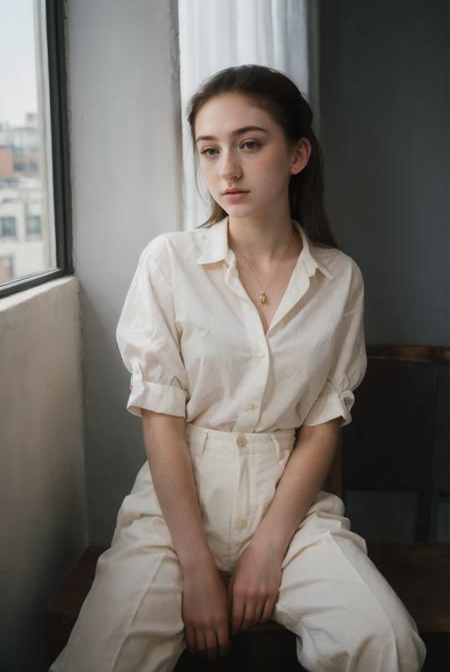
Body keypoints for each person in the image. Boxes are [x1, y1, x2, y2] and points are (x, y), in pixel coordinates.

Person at [50, 64, 426, 672]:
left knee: (386, 644)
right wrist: (196, 567)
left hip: (292, 507)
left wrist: (269, 547)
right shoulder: (169, 261)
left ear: (297, 153)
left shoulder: (339, 278)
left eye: (250, 144)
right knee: (101, 657)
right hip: (176, 507)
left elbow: (322, 426)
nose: (227, 169)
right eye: (209, 150)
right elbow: (161, 421)